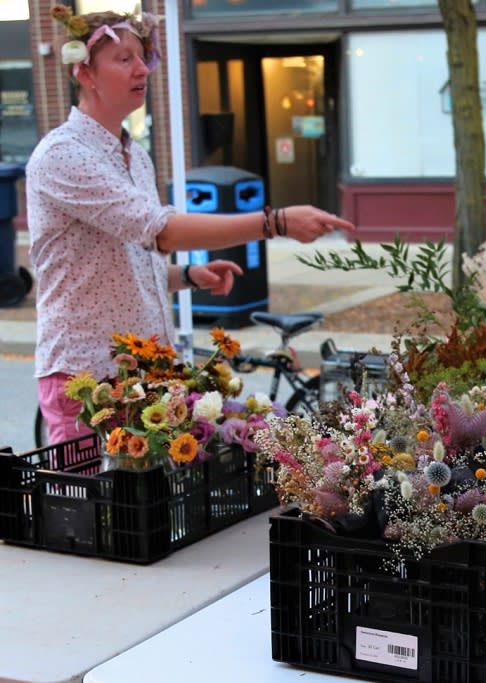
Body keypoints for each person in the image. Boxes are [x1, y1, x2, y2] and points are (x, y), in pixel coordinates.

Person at [29, 6, 354, 445]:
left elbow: (121, 261)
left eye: (143, 56)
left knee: (148, 512)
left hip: (144, 374)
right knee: (90, 509)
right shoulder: (63, 154)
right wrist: (274, 222)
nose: (142, 68)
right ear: (84, 72)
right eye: (124, 58)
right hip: (86, 376)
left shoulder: (134, 155)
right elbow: (162, 230)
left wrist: (185, 276)